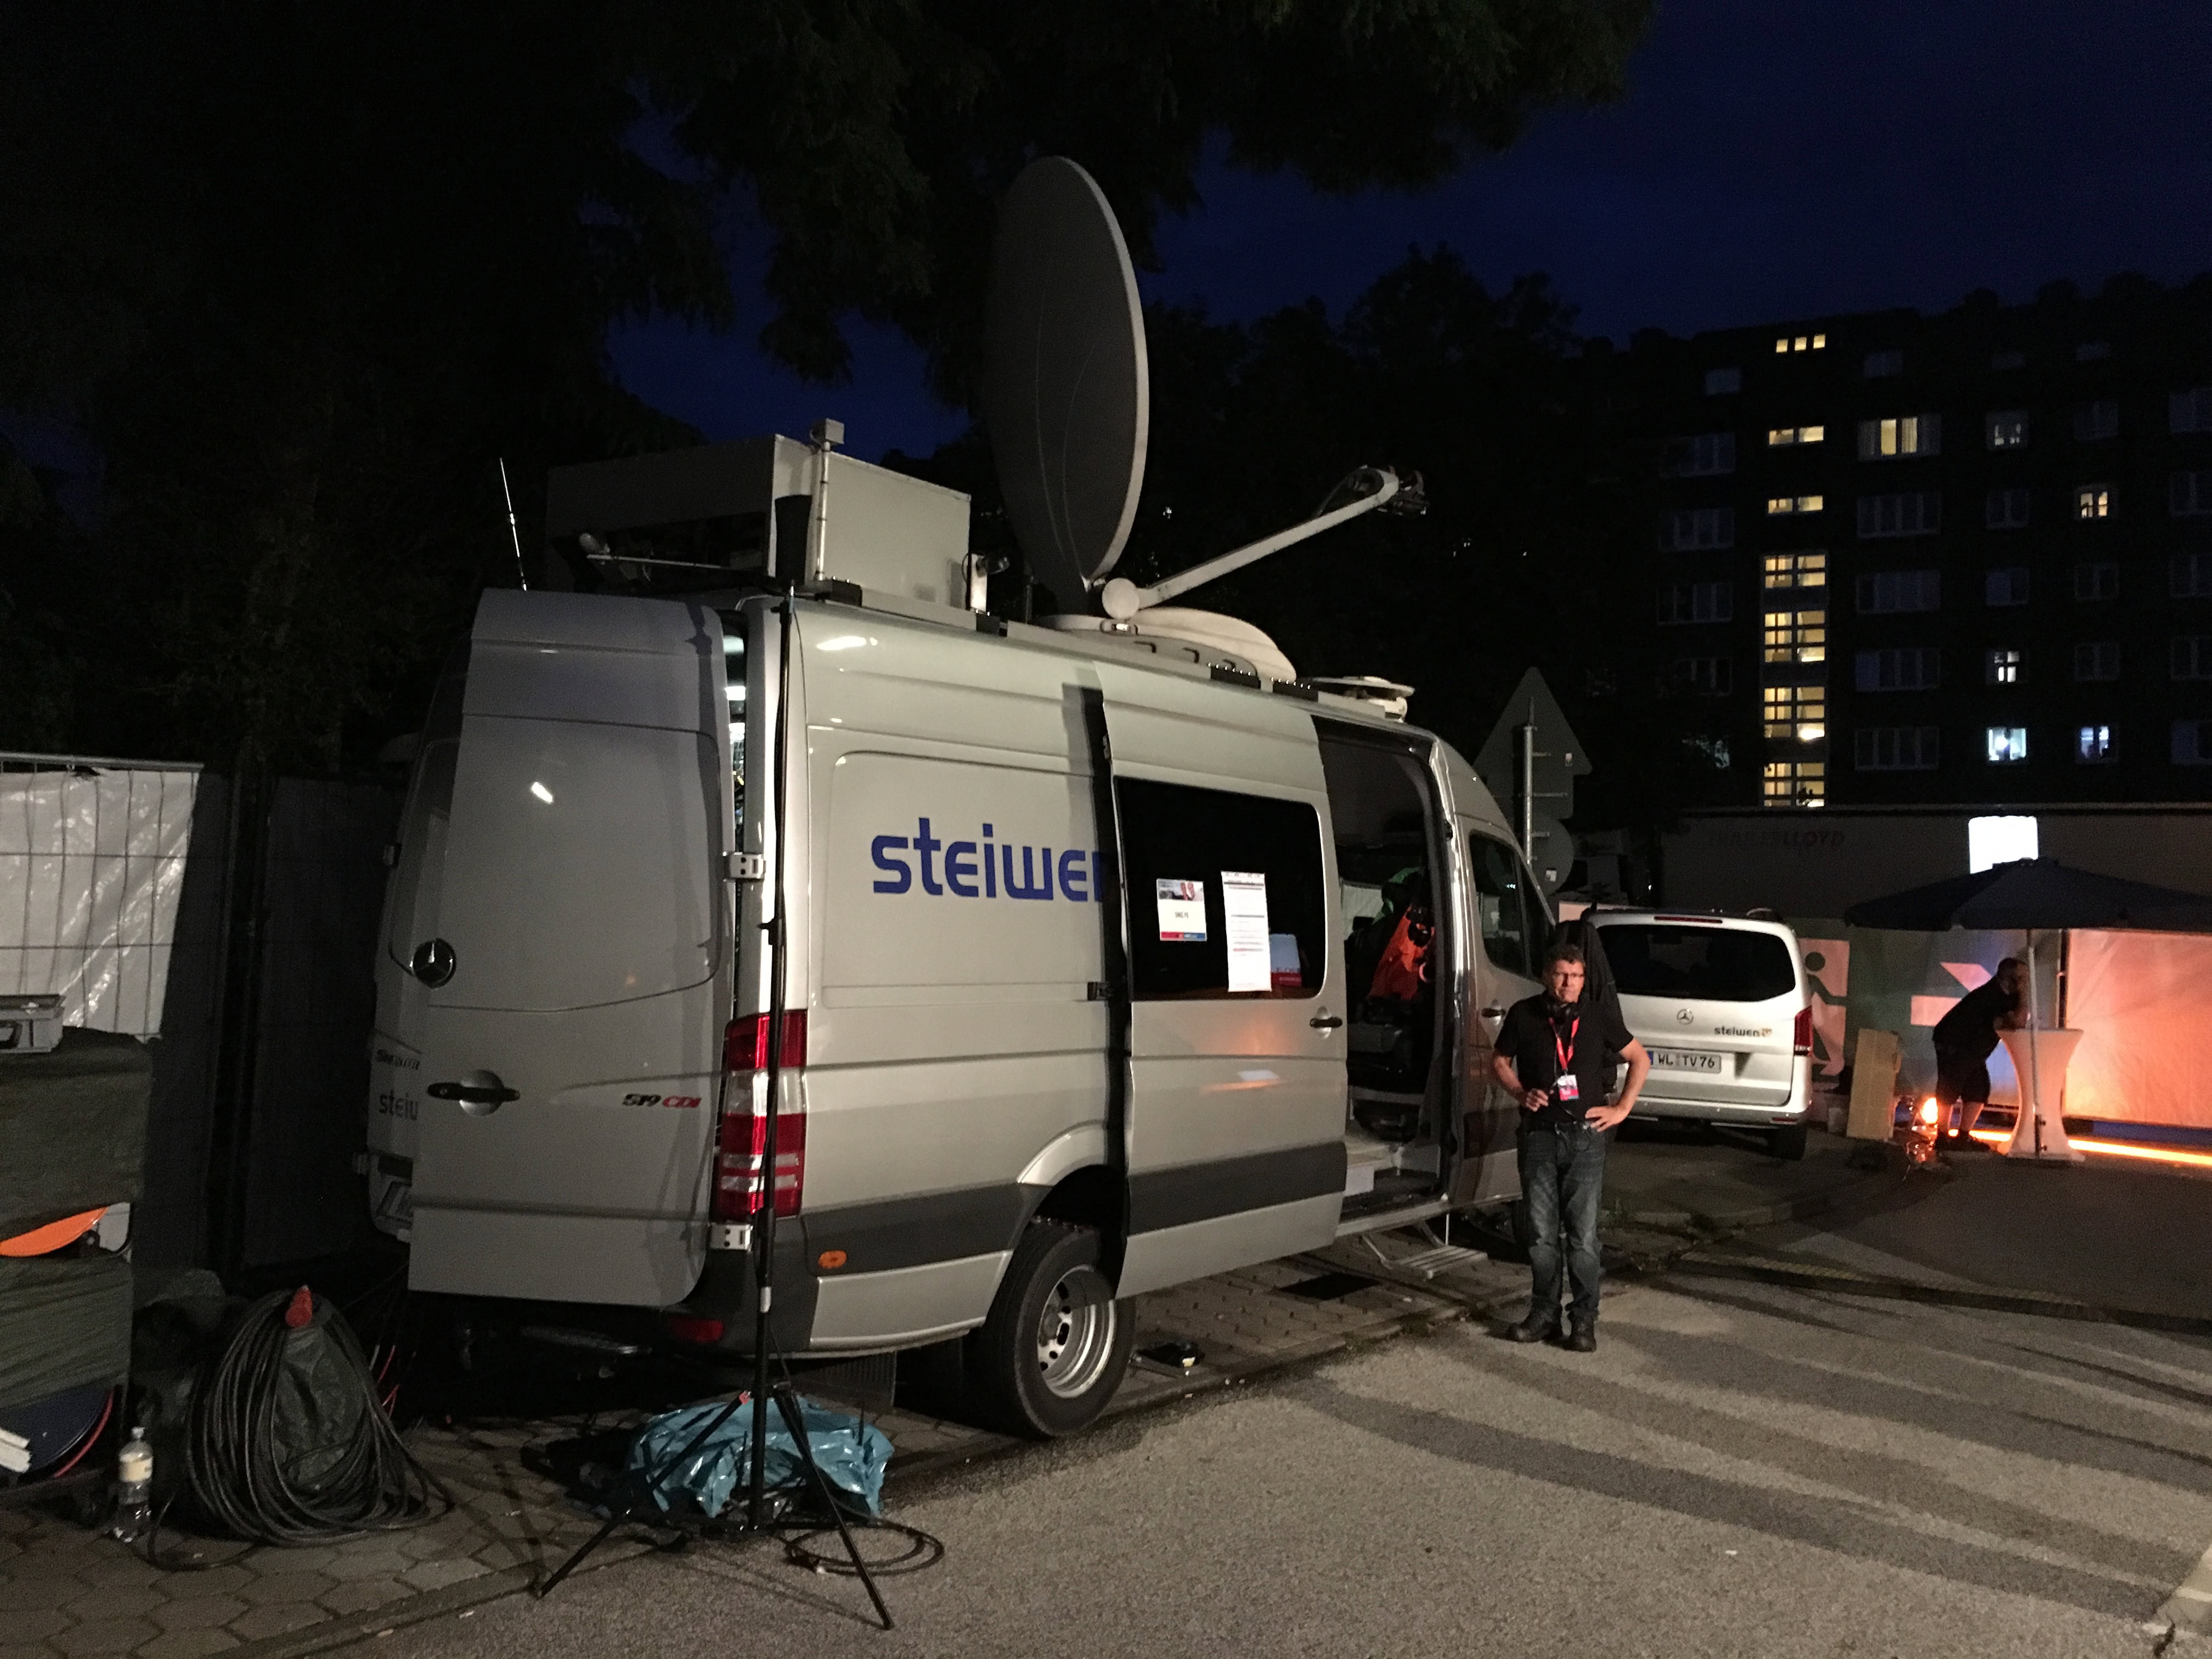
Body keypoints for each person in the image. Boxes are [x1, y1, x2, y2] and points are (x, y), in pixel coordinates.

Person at [1490, 941, 1651, 1352]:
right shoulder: (1524, 1014)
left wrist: (1622, 1109)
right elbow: (1499, 1061)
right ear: (1547, 976)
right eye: (1562, 975)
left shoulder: (1599, 1016)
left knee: (1583, 1238)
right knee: (1541, 1236)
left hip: (1586, 1138)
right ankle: (1544, 1315)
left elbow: (1640, 1059)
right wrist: (1519, 1092)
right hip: (1539, 1136)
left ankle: (1583, 1321)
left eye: (1577, 976)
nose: (1569, 984)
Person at [1932, 957, 2024, 1148]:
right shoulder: (1992, 997)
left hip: (1972, 1048)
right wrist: (2025, 995)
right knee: (1950, 1086)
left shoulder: (2007, 996)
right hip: (1955, 1043)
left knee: (1978, 1088)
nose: (2025, 982)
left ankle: (1963, 1136)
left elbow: (2019, 1020)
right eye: (2022, 977)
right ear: (2009, 978)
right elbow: (2017, 1023)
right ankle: (1942, 1136)